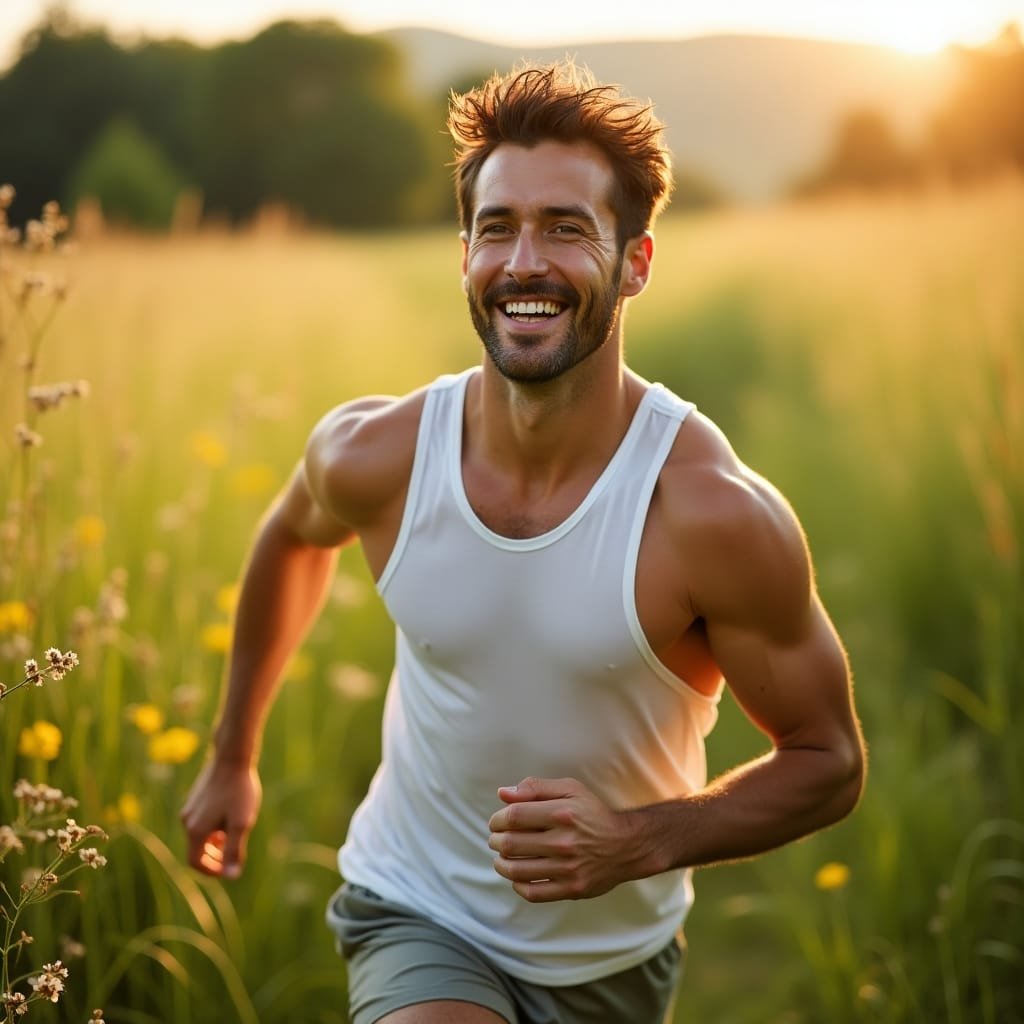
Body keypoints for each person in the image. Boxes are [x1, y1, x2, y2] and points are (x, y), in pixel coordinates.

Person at [181, 60, 865, 1024]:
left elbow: (829, 759)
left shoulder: (710, 514)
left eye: (566, 228)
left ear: (635, 262)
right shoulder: (377, 454)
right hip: (414, 910)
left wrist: (637, 841)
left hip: (614, 963)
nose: (524, 263)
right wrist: (231, 755)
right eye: (496, 228)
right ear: (464, 254)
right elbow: (292, 537)